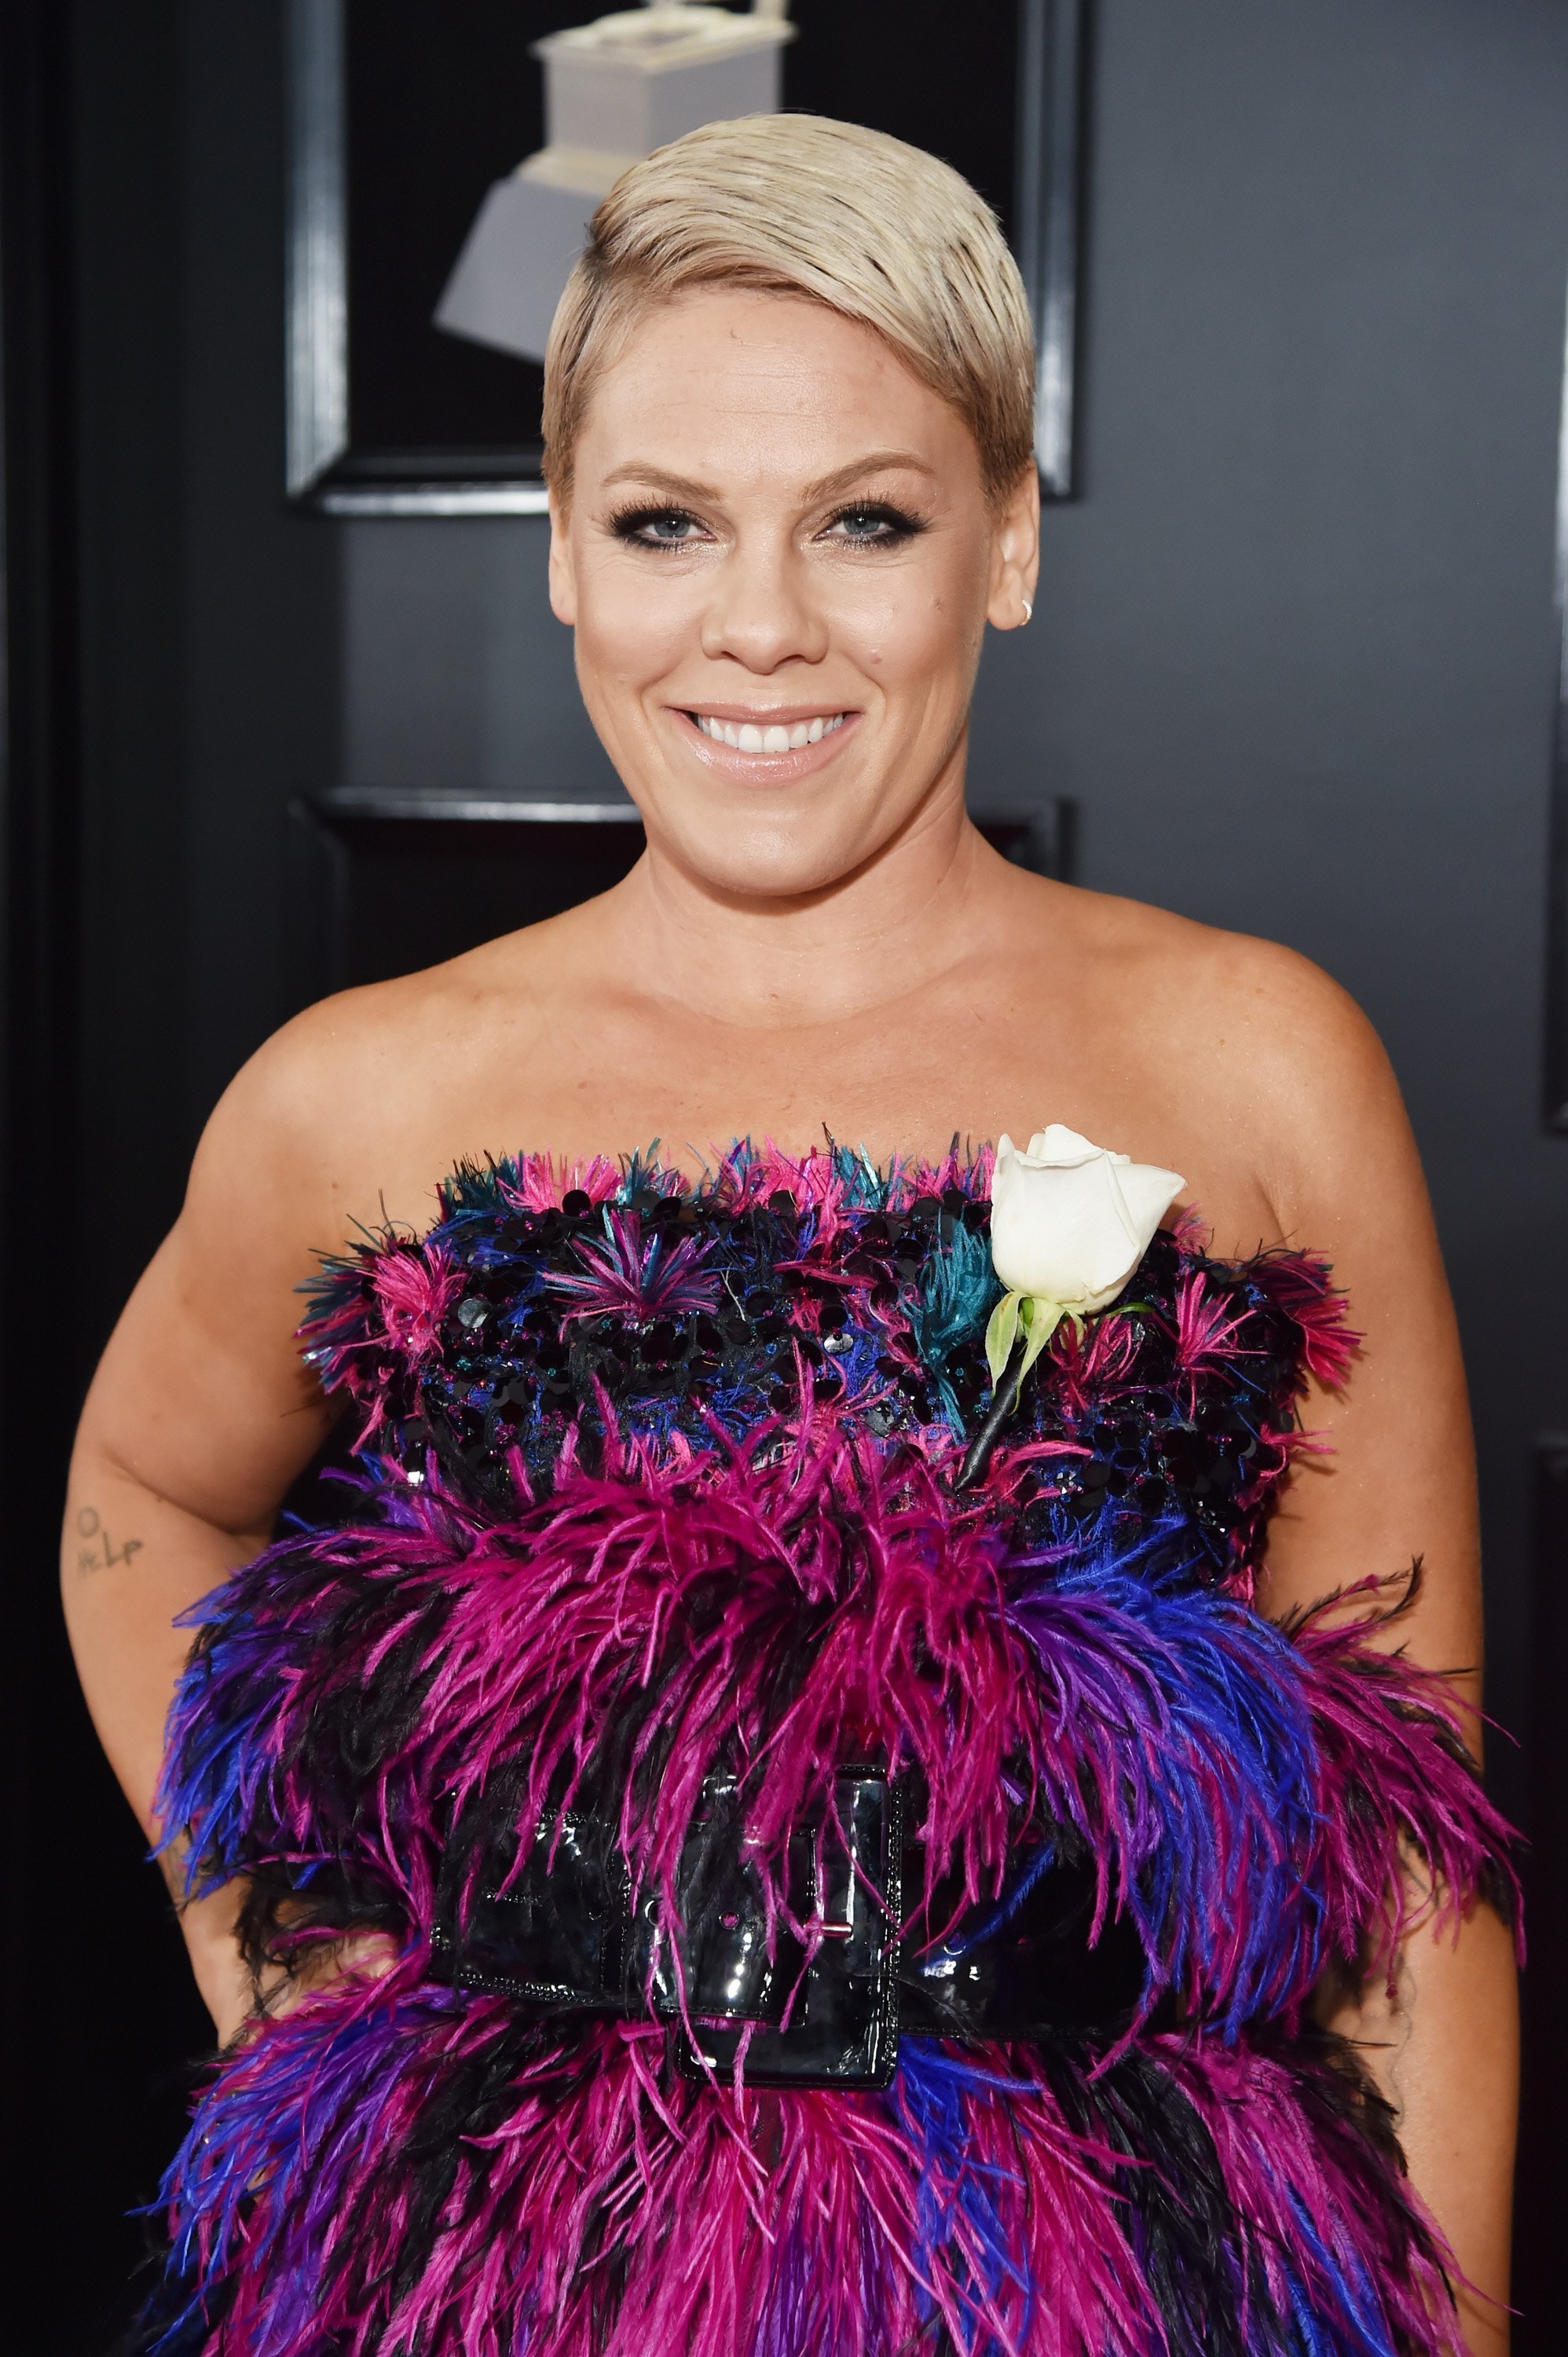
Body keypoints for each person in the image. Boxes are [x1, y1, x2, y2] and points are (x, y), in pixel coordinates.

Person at [64, 112, 1518, 2357]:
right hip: (507, 2284)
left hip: (1103, 2278)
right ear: (559, 548)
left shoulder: (1252, 1061)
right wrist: (264, 1929)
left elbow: (1404, 1830)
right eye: (663, 522)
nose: (756, 625)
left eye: (864, 520)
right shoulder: (362, 1089)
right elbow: (139, 1493)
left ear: (1006, 544)